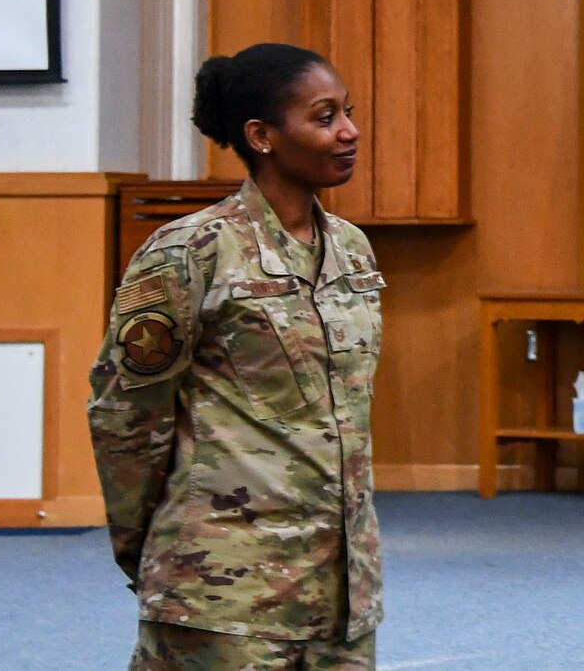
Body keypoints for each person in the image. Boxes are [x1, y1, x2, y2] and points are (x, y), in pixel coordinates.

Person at [89, 43, 383, 671]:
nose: (350, 131)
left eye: (348, 112)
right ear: (262, 136)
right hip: (223, 591)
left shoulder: (353, 251)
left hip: (341, 592)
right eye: (325, 117)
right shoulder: (191, 251)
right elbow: (126, 417)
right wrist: (152, 548)